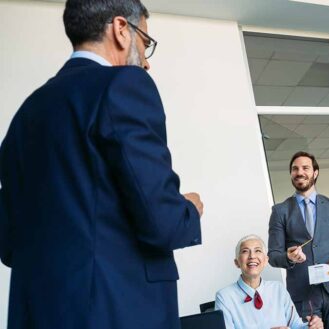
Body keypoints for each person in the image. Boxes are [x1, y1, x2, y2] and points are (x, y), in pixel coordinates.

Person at [0, 1, 204, 328]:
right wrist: (189, 209)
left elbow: (9, 246)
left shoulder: (25, 115)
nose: (147, 64)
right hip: (117, 312)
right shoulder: (123, 84)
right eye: (145, 43)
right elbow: (163, 223)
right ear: (121, 29)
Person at [268, 151, 329, 329]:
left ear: (315, 173)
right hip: (303, 294)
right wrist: (289, 257)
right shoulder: (280, 211)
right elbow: (273, 256)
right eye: (295, 169)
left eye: (305, 168)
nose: (299, 172)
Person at [216, 235, 323, 329]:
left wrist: (310, 326)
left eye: (257, 251)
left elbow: (295, 325)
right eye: (245, 251)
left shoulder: (278, 289)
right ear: (237, 263)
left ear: (266, 260)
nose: (252, 256)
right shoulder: (224, 297)